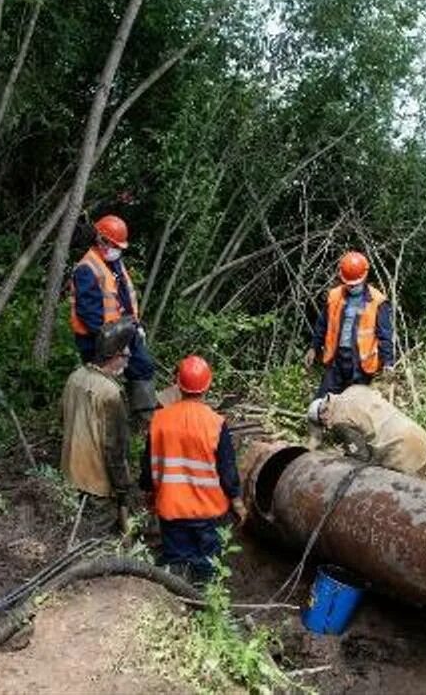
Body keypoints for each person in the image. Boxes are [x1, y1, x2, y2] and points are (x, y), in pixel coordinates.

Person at [139, 355, 247, 585]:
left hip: (171, 509)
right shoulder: (216, 423)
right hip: (207, 514)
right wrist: (237, 502)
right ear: (207, 386)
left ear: (178, 384)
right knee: (207, 566)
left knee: (176, 564)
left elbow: (148, 466)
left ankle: (177, 606)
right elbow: (227, 471)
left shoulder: (159, 420)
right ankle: (204, 605)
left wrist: (149, 493)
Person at [68, 213, 157, 425]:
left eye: (119, 246)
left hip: (124, 331)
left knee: (143, 367)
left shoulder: (114, 262)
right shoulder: (87, 269)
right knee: (101, 386)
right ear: (101, 240)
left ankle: (143, 420)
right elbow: (89, 314)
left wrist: (134, 327)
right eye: (114, 244)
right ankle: (101, 424)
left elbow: (124, 297)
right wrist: (113, 343)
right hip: (98, 339)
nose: (117, 249)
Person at [60, 321, 137, 531]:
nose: (129, 360)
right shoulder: (110, 393)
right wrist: (122, 488)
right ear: (115, 356)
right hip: (96, 486)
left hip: (68, 478)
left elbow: (63, 420)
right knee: (97, 542)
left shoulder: (75, 378)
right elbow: (115, 449)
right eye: (126, 355)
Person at [304, 251, 395, 398]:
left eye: (355, 284)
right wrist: (314, 347)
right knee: (322, 402)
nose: (352, 287)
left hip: (361, 364)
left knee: (355, 406)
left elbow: (385, 335)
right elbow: (322, 324)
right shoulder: (334, 296)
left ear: (364, 277)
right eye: (348, 284)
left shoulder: (378, 301)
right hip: (336, 359)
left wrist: (388, 362)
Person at [306, 384, 426, 475]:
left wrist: (345, 461)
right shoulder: (354, 389)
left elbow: (361, 456)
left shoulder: (339, 420)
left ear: (323, 415)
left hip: (400, 448)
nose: (327, 427)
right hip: (418, 434)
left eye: (323, 424)